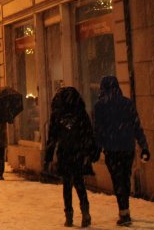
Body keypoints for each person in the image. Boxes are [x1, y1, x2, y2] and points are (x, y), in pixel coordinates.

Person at [94, 76, 149, 226]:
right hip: (127, 148)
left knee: (117, 180)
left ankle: (124, 212)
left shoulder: (100, 106)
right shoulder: (127, 103)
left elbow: (98, 131)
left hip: (112, 149)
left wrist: (96, 149)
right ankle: (125, 209)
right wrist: (144, 146)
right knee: (125, 178)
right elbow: (137, 126)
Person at [44, 87, 98, 227]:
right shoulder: (80, 113)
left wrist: (48, 158)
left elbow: (52, 137)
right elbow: (88, 133)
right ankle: (85, 211)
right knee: (79, 183)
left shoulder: (57, 115)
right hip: (78, 152)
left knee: (67, 186)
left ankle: (69, 216)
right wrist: (91, 152)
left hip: (64, 153)